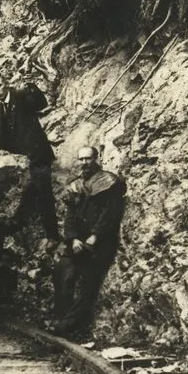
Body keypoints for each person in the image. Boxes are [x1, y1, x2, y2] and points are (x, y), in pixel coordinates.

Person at [0, 72, 59, 239]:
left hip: (37, 156)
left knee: (44, 194)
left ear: (6, 84)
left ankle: (53, 236)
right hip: (19, 160)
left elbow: (39, 103)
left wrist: (30, 85)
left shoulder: (20, 97)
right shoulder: (0, 110)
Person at [53, 145, 125, 341]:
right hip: (77, 241)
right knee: (62, 273)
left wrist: (95, 235)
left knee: (88, 283)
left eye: (88, 158)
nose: (84, 163)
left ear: (96, 158)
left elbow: (110, 214)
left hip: (99, 244)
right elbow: (69, 217)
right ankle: (63, 320)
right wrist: (73, 237)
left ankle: (69, 326)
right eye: (81, 159)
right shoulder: (76, 186)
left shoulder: (109, 182)